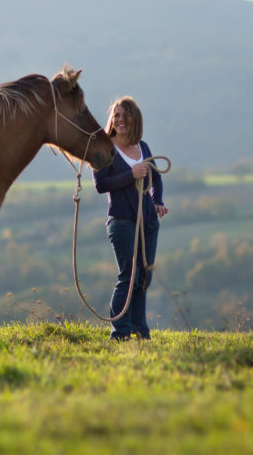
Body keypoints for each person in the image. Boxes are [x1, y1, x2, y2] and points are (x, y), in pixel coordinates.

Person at [93, 96, 168, 340]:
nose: (121, 120)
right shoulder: (103, 149)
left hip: (147, 222)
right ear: (111, 119)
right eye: (117, 115)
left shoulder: (143, 147)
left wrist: (157, 201)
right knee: (129, 276)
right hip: (122, 222)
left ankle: (140, 330)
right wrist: (131, 175)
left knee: (144, 278)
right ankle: (120, 333)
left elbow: (156, 178)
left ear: (135, 119)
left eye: (126, 115)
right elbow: (101, 185)